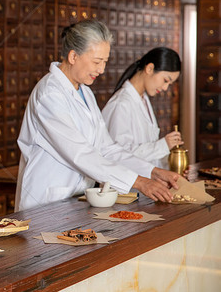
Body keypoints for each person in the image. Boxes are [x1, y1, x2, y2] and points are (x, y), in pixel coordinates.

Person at [15, 19, 180, 211]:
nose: (102, 69)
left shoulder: (85, 92)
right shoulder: (49, 94)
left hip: (73, 200)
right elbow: (80, 154)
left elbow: (107, 148)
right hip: (45, 200)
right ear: (73, 56)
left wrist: (152, 172)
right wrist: (139, 182)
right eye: (97, 62)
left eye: (105, 62)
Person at [102, 48, 182, 169]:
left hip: (147, 183)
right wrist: (162, 146)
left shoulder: (143, 100)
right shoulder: (121, 104)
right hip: (127, 186)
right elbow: (117, 155)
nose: (165, 88)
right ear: (149, 69)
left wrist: (174, 166)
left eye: (169, 84)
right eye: (165, 80)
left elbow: (150, 157)